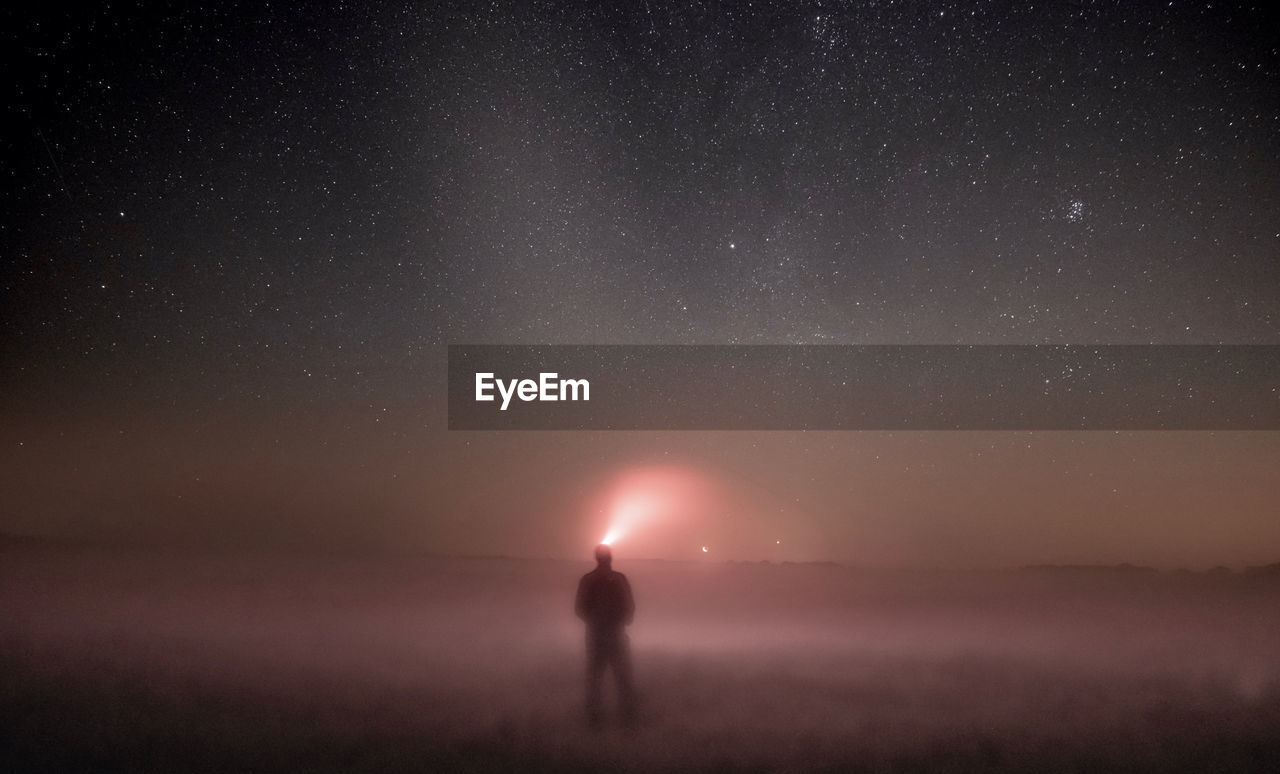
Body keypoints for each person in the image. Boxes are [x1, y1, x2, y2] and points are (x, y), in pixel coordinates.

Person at [574, 543, 637, 727]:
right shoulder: (619, 579)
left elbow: (579, 609)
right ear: (610, 558)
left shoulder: (588, 579)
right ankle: (628, 721)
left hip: (596, 637)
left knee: (596, 680)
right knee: (621, 678)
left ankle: (594, 721)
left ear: (596, 558)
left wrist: (595, 623)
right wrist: (620, 622)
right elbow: (630, 607)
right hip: (615, 635)